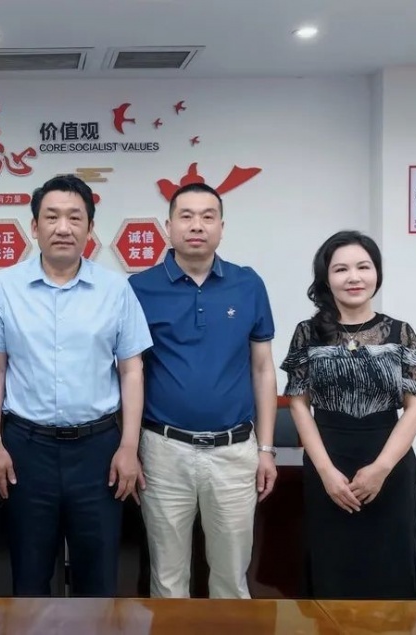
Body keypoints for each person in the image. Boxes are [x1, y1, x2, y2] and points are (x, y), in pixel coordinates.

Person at [0, 174, 153, 597]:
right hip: (26, 449)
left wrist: (128, 447)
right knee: (29, 573)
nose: (63, 228)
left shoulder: (115, 289)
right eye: (51, 217)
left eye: (75, 217)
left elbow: (131, 371)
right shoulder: (4, 287)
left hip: (98, 451)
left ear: (90, 229)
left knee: (99, 575)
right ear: (34, 226)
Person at [128, 182, 278, 599]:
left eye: (208, 217)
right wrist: (129, 447)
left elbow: (263, 369)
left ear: (221, 227)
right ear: (168, 226)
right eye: (187, 216)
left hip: (234, 451)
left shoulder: (248, 284)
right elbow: (129, 373)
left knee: (231, 579)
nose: (197, 226)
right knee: (167, 579)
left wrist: (266, 449)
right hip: (163, 451)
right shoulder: (139, 289)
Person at [281, 230, 416, 599]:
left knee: (389, 567)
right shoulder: (308, 333)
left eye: (363, 267)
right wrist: (325, 472)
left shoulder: (400, 332)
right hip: (327, 462)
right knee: (332, 566)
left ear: (376, 273)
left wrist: (381, 468)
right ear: (326, 278)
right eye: (341, 269)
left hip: (389, 463)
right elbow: (298, 403)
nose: (354, 277)